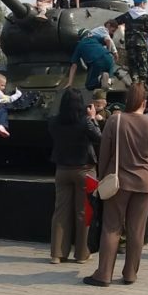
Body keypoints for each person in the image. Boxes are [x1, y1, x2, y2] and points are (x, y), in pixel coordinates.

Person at [83, 83, 148, 287]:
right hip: (144, 183)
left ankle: (104, 274)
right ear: (144, 103)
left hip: (118, 182)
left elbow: (104, 153)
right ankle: (130, 274)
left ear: (127, 100)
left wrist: (102, 177)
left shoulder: (115, 120)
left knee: (112, 227)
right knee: (137, 231)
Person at [48, 88, 101, 264]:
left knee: (60, 212)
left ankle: (57, 254)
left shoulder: (53, 122)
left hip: (62, 170)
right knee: (84, 212)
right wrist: (93, 118)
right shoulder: (85, 122)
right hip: (84, 171)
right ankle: (82, 254)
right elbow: (99, 138)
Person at [115, 0, 148, 84]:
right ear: (142, 3)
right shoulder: (145, 16)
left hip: (130, 43)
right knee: (143, 62)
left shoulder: (128, 14)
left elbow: (115, 21)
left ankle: (134, 80)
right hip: (141, 43)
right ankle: (142, 82)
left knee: (132, 62)